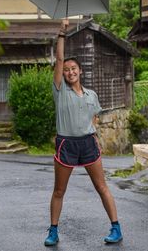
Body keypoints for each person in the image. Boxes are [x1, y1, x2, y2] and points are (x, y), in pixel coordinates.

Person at [44, 19, 123, 246]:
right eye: (67, 69)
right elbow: (59, 59)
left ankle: (116, 228)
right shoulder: (60, 91)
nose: (69, 72)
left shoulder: (91, 94)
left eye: (73, 69)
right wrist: (62, 33)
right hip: (66, 143)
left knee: (101, 187)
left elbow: (94, 116)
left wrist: (95, 135)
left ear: (80, 71)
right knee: (59, 190)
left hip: (88, 143)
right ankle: (53, 231)